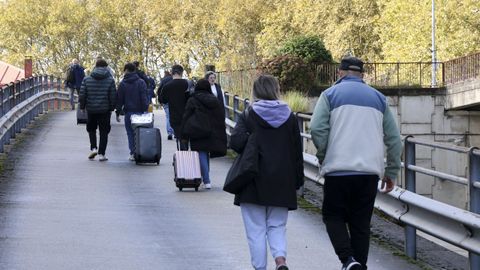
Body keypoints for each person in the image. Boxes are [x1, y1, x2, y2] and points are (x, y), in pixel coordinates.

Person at [310, 56, 402, 270]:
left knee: (333, 216)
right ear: (362, 75)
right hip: (368, 173)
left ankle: (348, 260)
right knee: (361, 223)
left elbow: (316, 128)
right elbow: (394, 139)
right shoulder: (379, 99)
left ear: (340, 73)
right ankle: (359, 265)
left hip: (338, 170)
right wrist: (391, 171)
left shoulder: (329, 95)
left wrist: (324, 155)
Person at [229, 75, 304, 270]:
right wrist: (297, 181)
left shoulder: (248, 114)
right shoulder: (290, 117)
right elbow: (297, 152)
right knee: (277, 226)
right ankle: (280, 259)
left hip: (252, 179)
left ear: (256, 91)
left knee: (256, 230)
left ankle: (260, 267)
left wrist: (250, 137)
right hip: (282, 180)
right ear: (276, 90)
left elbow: (235, 143)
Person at [180, 79, 227, 189]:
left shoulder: (192, 100)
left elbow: (186, 116)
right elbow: (220, 116)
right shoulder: (215, 100)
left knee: (201, 153)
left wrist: (183, 134)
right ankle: (205, 178)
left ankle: (206, 180)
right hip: (212, 132)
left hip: (197, 130)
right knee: (205, 153)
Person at [79, 59, 116, 161]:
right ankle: (102, 154)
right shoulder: (110, 80)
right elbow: (113, 95)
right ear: (106, 67)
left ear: (95, 67)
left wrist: (82, 107)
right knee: (104, 131)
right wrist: (112, 108)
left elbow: (82, 95)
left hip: (91, 109)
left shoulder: (87, 79)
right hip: (104, 110)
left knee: (91, 129)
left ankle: (94, 148)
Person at [115, 62, 149, 161]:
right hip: (140, 112)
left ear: (125, 70)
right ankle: (141, 151)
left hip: (128, 112)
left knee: (130, 133)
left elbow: (119, 100)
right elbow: (144, 98)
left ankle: (132, 153)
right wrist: (145, 110)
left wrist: (117, 112)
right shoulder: (141, 82)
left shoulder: (122, 84)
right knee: (139, 133)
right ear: (134, 70)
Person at [159, 64, 189, 147]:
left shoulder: (167, 86)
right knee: (186, 138)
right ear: (182, 72)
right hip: (188, 115)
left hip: (174, 116)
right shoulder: (188, 84)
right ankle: (186, 154)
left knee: (180, 138)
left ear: (172, 73)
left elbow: (163, 100)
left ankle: (181, 155)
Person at [158, 70, 174, 140]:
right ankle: (175, 132)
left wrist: (160, 101)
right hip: (173, 100)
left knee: (168, 117)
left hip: (165, 101)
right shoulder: (173, 79)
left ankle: (170, 133)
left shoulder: (163, 80)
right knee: (174, 116)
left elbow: (159, 90)